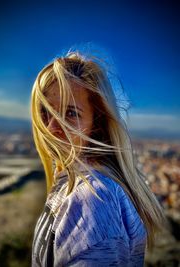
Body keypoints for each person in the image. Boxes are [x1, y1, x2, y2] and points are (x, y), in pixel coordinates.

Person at [31, 50, 167, 266]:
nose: (51, 127)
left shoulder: (93, 202)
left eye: (71, 113)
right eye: (46, 112)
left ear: (97, 124)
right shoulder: (73, 183)